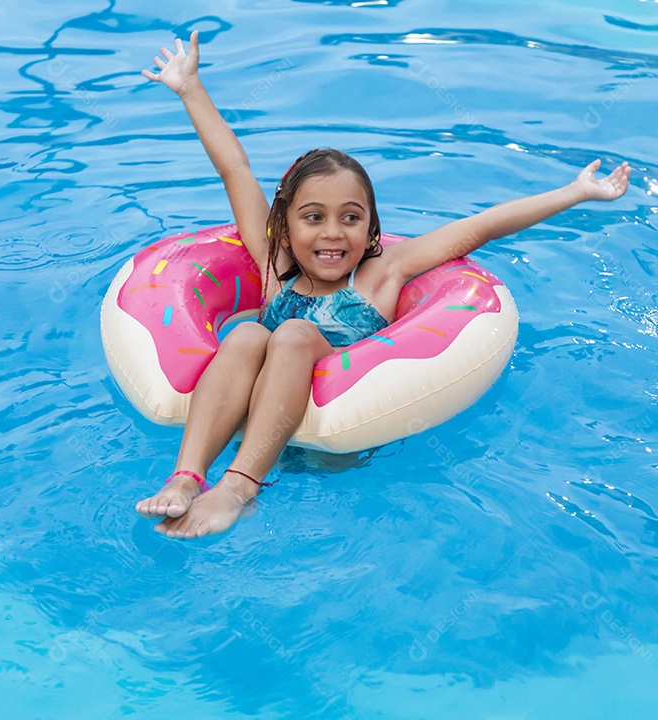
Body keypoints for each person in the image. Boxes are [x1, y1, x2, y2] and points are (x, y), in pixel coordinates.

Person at [134, 32, 631, 538]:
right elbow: (234, 168)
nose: (333, 233)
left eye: (351, 218)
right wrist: (190, 88)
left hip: (337, 447)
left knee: (292, 335)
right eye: (313, 217)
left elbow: (479, 228)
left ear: (372, 228)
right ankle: (187, 477)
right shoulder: (271, 263)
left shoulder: (382, 273)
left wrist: (574, 193)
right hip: (263, 425)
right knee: (245, 334)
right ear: (284, 225)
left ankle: (237, 490)